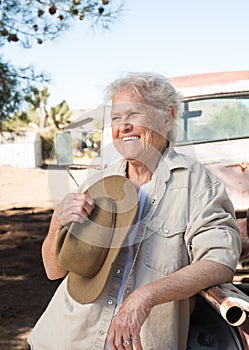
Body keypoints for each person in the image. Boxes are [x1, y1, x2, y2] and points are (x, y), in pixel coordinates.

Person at [28, 72, 241, 350]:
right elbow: (54, 270)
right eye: (116, 118)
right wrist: (57, 222)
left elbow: (220, 263)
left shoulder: (199, 183)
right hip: (65, 337)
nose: (123, 126)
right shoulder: (97, 182)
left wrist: (145, 296)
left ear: (167, 118)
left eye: (134, 114)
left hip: (141, 342)